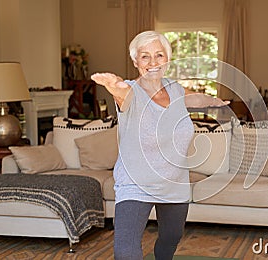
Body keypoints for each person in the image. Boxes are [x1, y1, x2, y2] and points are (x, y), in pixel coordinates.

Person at [91, 30, 228, 260]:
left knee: (171, 237)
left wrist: (215, 101)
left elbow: (193, 98)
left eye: (159, 55)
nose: (153, 62)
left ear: (168, 59)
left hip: (174, 184)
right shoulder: (130, 91)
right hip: (135, 184)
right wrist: (113, 85)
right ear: (136, 61)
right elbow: (122, 92)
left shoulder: (174, 88)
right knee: (125, 251)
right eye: (145, 56)